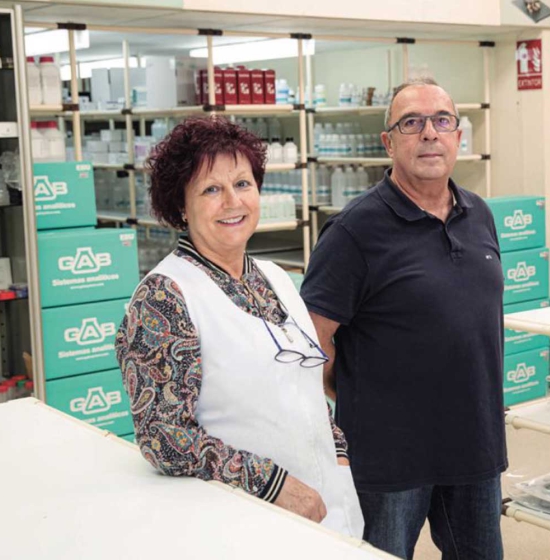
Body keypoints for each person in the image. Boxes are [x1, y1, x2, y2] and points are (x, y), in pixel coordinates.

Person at [114, 116, 364, 538]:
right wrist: (272, 483)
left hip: (329, 510)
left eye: (243, 184)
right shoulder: (165, 297)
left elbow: (303, 383)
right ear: (180, 205)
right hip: (243, 523)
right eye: (211, 189)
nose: (233, 202)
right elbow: (163, 436)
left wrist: (339, 458)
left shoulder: (276, 277)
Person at [300, 78, 506, 560]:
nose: (429, 133)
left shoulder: (480, 215)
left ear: (459, 135)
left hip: (475, 448)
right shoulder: (354, 231)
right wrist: (355, 393)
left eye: (442, 121)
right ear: (389, 142)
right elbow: (310, 344)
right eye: (412, 123)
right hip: (388, 462)